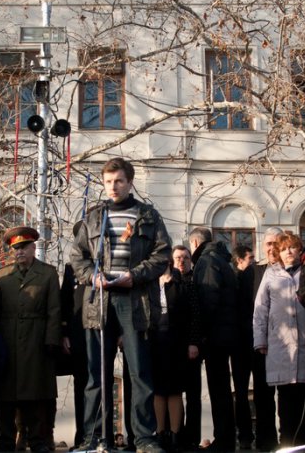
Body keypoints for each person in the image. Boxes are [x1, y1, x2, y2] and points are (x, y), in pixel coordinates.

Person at [70, 157, 171, 453]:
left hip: (135, 300)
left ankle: (143, 438)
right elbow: (78, 257)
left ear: (130, 182)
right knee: (96, 374)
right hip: (99, 301)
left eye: (119, 181)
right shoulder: (93, 216)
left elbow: (161, 254)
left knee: (139, 372)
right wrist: (93, 276)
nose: (113, 187)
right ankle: (94, 438)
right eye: (108, 181)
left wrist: (134, 276)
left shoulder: (148, 216)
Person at [0, 226, 61, 453]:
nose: (19, 252)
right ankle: (7, 440)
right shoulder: (2, 276)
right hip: (7, 341)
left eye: (23, 247)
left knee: (36, 393)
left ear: (33, 248)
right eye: (15, 248)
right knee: (6, 394)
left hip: (36, 339)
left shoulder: (48, 273)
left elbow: (54, 310)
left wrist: (51, 340)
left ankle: (38, 440)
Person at [253, 233, 305, 446]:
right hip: (280, 346)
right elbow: (260, 309)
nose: (289, 252)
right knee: (286, 402)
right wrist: (260, 340)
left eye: (293, 247)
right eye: (284, 249)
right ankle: (288, 443)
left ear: (300, 249)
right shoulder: (271, 274)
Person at [189, 226, 238, 451]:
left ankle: (224, 439)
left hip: (215, 335)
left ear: (195, 242)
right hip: (226, 331)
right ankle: (225, 436)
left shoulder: (207, 261)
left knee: (218, 388)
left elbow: (208, 297)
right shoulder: (222, 259)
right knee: (222, 388)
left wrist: (203, 334)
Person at [151, 260, 200, 451]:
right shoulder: (151, 286)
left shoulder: (182, 286)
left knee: (175, 389)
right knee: (158, 389)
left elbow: (193, 316)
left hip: (177, 342)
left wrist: (192, 342)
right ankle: (160, 433)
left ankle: (175, 434)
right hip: (156, 342)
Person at [251, 227, 284, 451]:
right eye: (268, 244)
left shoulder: (293, 269)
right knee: (263, 396)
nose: (272, 248)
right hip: (261, 344)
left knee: (288, 395)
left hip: (287, 342)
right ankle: (266, 441)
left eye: (276, 244)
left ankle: (290, 438)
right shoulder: (254, 272)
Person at [60, 221, 89, 450]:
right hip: (78, 337)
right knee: (81, 387)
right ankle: (82, 437)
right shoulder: (71, 269)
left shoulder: (105, 264)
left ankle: (102, 434)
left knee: (102, 384)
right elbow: (64, 303)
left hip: (101, 334)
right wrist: (64, 333)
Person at [172, 245, 203, 450]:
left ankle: (192, 437)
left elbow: (196, 315)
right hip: (172, 346)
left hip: (190, 345)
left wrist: (193, 342)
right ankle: (176, 434)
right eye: (177, 257)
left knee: (192, 395)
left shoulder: (194, 282)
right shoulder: (169, 281)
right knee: (173, 393)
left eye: (184, 257)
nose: (181, 261)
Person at [230, 244, 256, 448]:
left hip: (249, 340)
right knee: (240, 391)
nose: (254, 261)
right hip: (241, 341)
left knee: (249, 391)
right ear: (239, 261)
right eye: (250, 258)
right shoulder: (235, 280)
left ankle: (247, 436)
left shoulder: (252, 277)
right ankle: (245, 435)